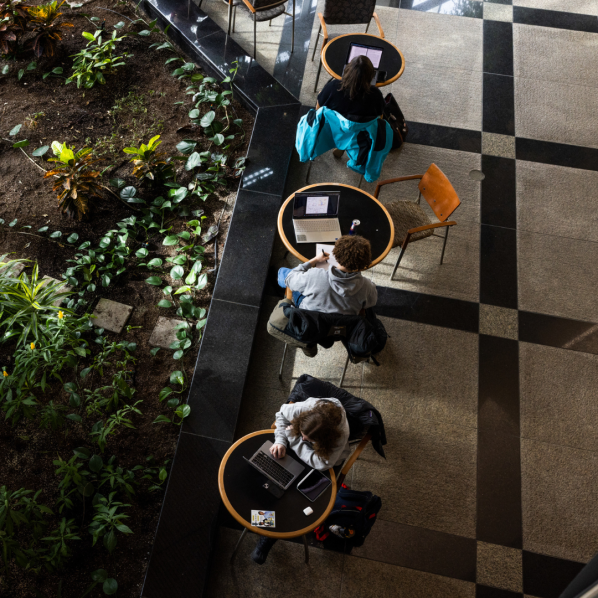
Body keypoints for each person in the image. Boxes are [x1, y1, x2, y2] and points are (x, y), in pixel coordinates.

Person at [251, 397, 350, 564]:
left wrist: (293, 438)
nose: (304, 439)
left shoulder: (340, 436)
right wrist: (281, 440)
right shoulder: (307, 408)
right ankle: (260, 521)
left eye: (309, 440)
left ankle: (269, 535)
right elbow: (281, 415)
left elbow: (322, 463)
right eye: (303, 434)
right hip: (298, 448)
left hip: (320, 464)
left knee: (291, 504)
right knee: (264, 482)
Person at [277, 234, 377, 315]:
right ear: (364, 264)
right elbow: (371, 303)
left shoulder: (314, 275)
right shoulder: (368, 287)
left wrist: (314, 260)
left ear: (336, 254)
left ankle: (277, 273)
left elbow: (290, 279)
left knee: (285, 273)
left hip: (309, 317)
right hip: (340, 327)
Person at [316, 55, 385, 124]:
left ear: (347, 70)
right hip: (361, 133)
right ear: (371, 75)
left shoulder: (333, 87)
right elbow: (380, 117)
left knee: (320, 93)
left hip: (332, 131)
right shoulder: (376, 95)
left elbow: (318, 109)